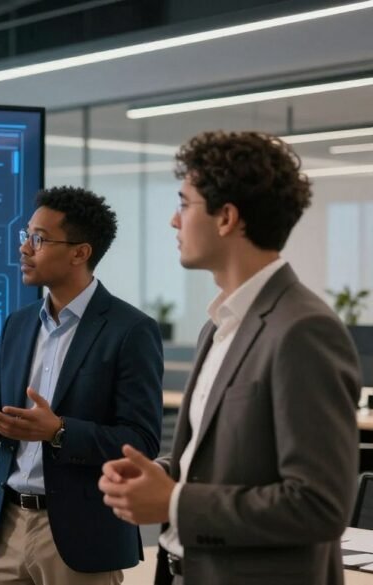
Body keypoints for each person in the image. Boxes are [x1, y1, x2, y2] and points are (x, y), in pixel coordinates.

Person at [99, 131, 362, 585]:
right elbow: (223, 459)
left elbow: (320, 505)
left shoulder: (303, 330)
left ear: (226, 218)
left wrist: (174, 503)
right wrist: (158, 474)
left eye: (184, 204)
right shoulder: (219, 325)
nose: (173, 221)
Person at [0, 186, 164, 585]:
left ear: (80, 253)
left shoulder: (130, 330)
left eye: (39, 239)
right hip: (8, 527)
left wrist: (60, 431)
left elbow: (141, 441)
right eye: (26, 236)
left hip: (79, 533)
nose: (25, 249)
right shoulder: (19, 325)